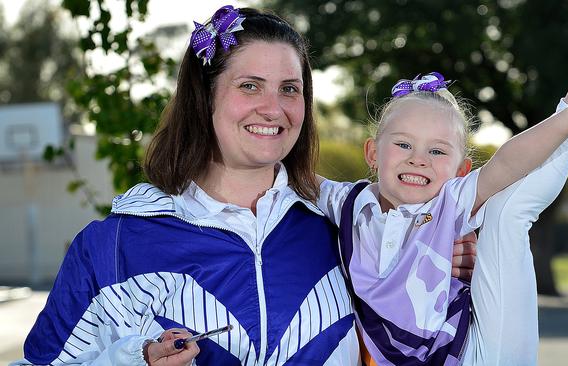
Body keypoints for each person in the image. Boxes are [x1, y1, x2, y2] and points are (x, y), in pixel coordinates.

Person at [12, 6, 477, 366]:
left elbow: (419, 324)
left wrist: (453, 255)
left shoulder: (348, 224)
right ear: (204, 97)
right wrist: (137, 358)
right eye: (250, 86)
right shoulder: (113, 244)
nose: (273, 109)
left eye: (289, 89)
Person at [316, 48, 568, 364]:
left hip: (471, 355)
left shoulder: (450, 203)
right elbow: (291, 175)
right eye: (403, 144)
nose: (418, 159)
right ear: (372, 153)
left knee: (510, 211)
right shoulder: (348, 202)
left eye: (437, 152)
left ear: (460, 171)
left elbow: (506, 163)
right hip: (384, 355)